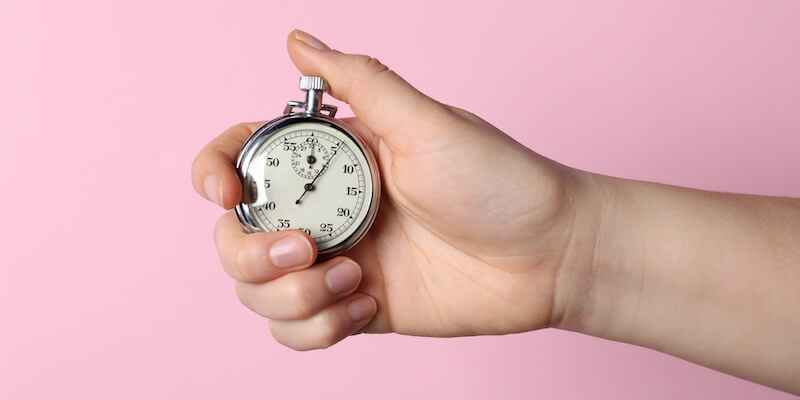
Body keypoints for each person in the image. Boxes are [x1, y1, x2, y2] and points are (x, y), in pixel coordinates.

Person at [191, 30, 800, 394]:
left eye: (321, 173)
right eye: (302, 176)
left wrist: (572, 248)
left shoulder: (360, 168)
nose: (306, 189)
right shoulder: (312, 162)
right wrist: (572, 251)